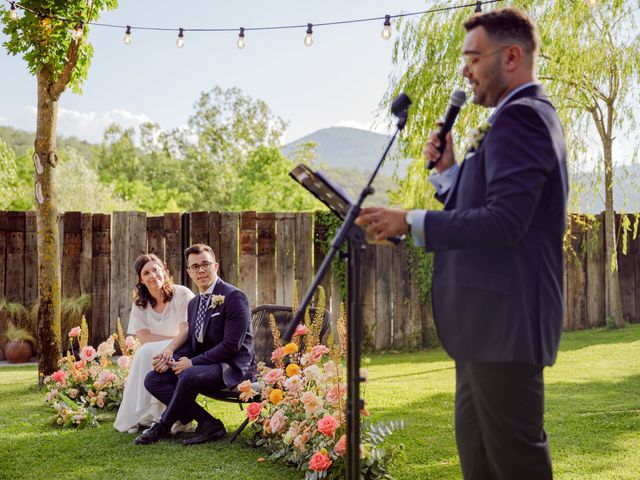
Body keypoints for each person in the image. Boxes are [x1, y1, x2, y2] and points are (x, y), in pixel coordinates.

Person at [357, 8, 567, 480]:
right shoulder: (509, 119)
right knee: (481, 464)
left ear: (511, 56)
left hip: (505, 328)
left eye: (473, 57)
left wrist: (408, 221)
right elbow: (482, 206)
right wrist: (449, 172)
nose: (464, 70)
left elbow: (504, 223)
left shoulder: (525, 118)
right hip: (485, 331)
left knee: (515, 466)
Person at [134, 243, 257, 445]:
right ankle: (209, 423)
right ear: (189, 272)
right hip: (206, 364)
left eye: (205, 264)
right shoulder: (194, 303)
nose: (201, 270)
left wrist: (192, 363)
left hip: (233, 366)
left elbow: (232, 346)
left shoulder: (234, 297)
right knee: (153, 379)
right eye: (195, 267)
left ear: (215, 267)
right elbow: (195, 343)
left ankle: (162, 427)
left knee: (188, 375)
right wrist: (171, 360)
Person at [114, 254, 195, 433]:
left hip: (183, 346)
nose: (152, 275)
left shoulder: (182, 293)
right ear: (141, 279)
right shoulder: (140, 303)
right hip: (158, 348)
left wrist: (169, 348)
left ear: (164, 271)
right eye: (146, 273)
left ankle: (157, 417)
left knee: (145, 352)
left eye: (156, 270)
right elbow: (143, 337)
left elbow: (185, 330)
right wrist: (165, 347)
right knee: (146, 351)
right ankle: (144, 416)